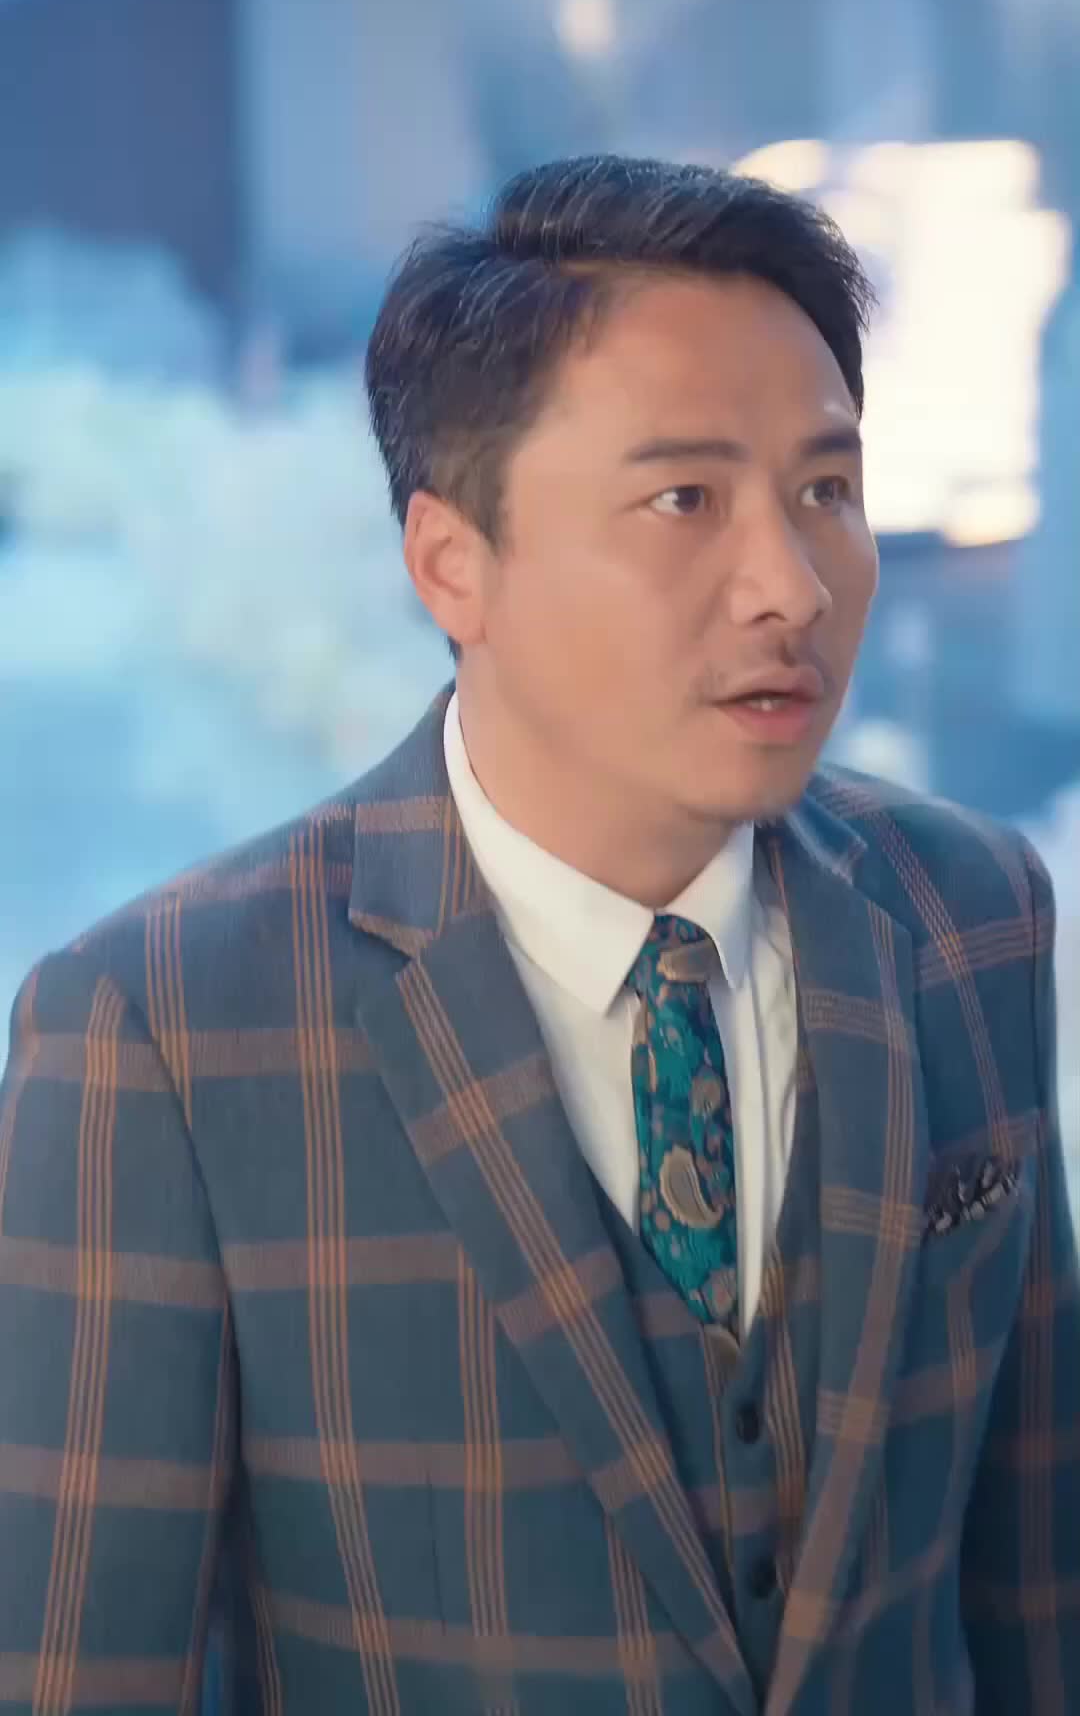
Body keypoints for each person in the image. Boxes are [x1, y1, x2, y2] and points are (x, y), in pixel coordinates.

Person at [1, 156, 1077, 1716]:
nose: (790, 587)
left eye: (826, 492)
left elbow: (1038, 1596)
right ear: (453, 562)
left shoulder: (968, 919)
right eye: (684, 500)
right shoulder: (162, 1031)